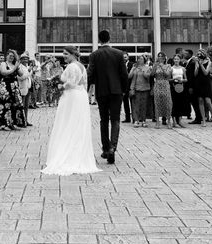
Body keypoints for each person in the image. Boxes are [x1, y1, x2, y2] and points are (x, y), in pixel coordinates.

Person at [42, 46, 101, 175]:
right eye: (63, 54)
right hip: (80, 96)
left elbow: (71, 83)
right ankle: (77, 154)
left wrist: (60, 86)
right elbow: (83, 84)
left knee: (67, 124)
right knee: (77, 125)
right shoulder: (81, 66)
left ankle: (67, 155)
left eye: (66, 54)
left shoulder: (72, 66)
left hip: (71, 96)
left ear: (73, 54)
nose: (64, 56)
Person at [87, 30, 129, 165]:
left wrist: (88, 89)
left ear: (99, 40)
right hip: (116, 91)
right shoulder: (118, 54)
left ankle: (105, 148)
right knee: (115, 119)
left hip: (102, 91)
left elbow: (91, 74)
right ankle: (112, 147)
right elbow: (124, 74)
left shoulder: (94, 55)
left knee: (104, 120)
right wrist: (124, 90)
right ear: (109, 38)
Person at [0, 49, 27, 128]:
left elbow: (21, 74)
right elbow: (4, 72)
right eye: (10, 56)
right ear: (6, 56)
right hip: (6, 86)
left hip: (14, 87)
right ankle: (5, 124)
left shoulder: (14, 64)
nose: (11, 57)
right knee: (6, 105)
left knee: (15, 105)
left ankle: (14, 123)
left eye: (13, 56)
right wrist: (14, 68)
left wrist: (17, 67)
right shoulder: (3, 63)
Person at [193, 49, 212, 126]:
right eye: (198, 54)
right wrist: (197, 65)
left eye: (200, 54)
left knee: (208, 102)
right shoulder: (197, 62)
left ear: (204, 54)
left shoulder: (209, 62)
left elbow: (206, 73)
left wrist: (201, 65)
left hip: (206, 83)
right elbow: (195, 74)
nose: (199, 55)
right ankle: (203, 120)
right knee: (200, 101)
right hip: (198, 83)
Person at [128, 55, 152, 127]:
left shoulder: (147, 68)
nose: (139, 60)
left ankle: (143, 120)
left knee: (144, 106)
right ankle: (136, 120)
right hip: (136, 88)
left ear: (144, 60)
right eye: (138, 59)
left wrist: (142, 69)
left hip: (145, 89)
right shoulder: (135, 67)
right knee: (136, 105)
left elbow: (147, 76)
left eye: (141, 59)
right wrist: (133, 68)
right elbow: (129, 76)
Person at [151, 52, 173, 129]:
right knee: (157, 103)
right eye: (159, 56)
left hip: (165, 84)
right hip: (157, 84)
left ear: (164, 58)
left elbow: (168, 75)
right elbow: (152, 75)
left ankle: (169, 121)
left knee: (167, 102)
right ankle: (157, 122)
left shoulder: (168, 65)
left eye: (161, 56)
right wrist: (154, 67)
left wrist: (162, 67)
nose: (160, 58)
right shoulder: (155, 65)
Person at [169, 54, 189, 128]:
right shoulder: (171, 68)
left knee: (180, 104)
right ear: (173, 60)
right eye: (175, 59)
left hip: (181, 87)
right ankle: (174, 121)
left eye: (177, 59)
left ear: (180, 60)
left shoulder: (183, 68)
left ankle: (180, 120)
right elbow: (168, 79)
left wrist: (182, 80)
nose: (176, 60)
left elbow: (186, 79)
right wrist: (174, 79)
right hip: (174, 87)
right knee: (174, 104)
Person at [185, 49, 201, 124]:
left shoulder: (192, 62)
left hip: (192, 86)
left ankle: (198, 118)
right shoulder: (189, 62)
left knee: (194, 102)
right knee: (193, 102)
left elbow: (191, 76)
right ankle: (198, 117)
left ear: (190, 54)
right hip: (190, 85)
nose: (184, 55)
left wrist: (191, 87)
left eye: (186, 54)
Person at [18, 52, 33, 126]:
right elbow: (21, 77)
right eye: (24, 59)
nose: (25, 60)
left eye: (27, 58)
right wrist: (29, 72)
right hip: (22, 88)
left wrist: (29, 71)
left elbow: (29, 76)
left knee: (26, 106)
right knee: (22, 106)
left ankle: (26, 120)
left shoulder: (27, 67)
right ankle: (21, 121)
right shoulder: (19, 67)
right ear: (21, 60)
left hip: (28, 88)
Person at [121, 52, 132, 123]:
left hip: (131, 86)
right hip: (124, 87)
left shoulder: (132, 64)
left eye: (125, 57)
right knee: (125, 103)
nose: (124, 58)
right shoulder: (120, 65)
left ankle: (135, 118)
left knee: (132, 103)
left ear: (128, 57)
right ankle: (127, 118)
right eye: (123, 57)